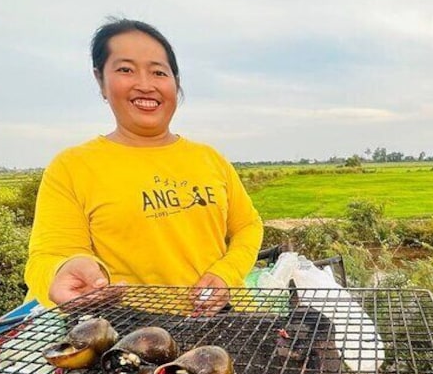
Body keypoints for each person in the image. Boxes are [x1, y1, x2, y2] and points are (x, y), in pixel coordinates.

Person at [24, 19, 263, 317]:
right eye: (125, 69)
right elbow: (47, 255)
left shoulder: (209, 158)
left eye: (159, 72)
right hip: (132, 334)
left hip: (230, 318)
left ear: (175, 83)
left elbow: (247, 226)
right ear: (101, 81)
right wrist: (63, 269)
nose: (146, 85)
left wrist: (227, 273)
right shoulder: (72, 167)